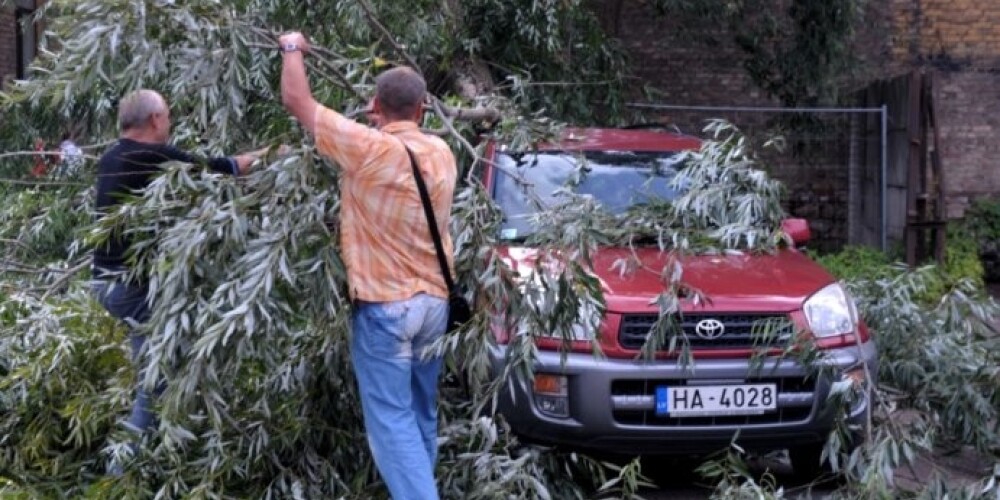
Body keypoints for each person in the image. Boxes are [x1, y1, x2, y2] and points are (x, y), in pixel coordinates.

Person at [278, 32, 458, 500]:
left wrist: (292, 47)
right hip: (435, 305)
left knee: (392, 421)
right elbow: (399, 145)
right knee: (421, 412)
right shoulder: (443, 153)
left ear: (376, 104)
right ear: (423, 108)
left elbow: (298, 100)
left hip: (386, 307)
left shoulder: (368, 150)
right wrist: (383, 118)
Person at [91, 89, 266, 463]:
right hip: (128, 285)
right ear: (155, 119)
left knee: (163, 361)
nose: (169, 123)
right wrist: (272, 156)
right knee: (159, 375)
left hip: (106, 281)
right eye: (167, 116)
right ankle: (125, 466)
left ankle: (170, 444)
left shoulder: (113, 156)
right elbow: (220, 168)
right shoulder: (152, 156)